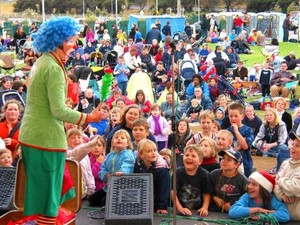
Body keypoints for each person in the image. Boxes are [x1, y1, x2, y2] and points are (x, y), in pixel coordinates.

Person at [18, 17, 103, 224]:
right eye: (71, 40)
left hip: (35, 137)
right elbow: (58, 111)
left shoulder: (42, 61)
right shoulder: (54, 68)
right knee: (49, 201)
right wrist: (89, 117)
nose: (75, 45)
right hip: (45, 141)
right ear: (58, 41)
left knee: (45, 196)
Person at [171, 145, 212, 216]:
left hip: (197, 211)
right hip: (180, 208)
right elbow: (173, 192)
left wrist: (204, 208)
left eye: (193, 156)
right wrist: (179, 208)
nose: (189, 157)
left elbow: (207, 193)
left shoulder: (204, 174)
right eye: (186, 155)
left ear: (200, 161)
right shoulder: (177, 173)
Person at [99, 129, 135, 205]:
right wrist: (105, 175)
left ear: (127, 143)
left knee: (104, 202)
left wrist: (122, 172)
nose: (119, 139)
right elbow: (103, 167)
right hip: (108, 186)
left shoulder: (128, 154)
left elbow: (128, 165)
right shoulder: (109, 155)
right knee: (93, 199)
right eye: (116, 138)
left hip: (122, 187)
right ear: (112, 143)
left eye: (122, 138)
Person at [134, 139, 170, 214]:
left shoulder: (162, 168)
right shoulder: (138, 164)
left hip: (157, 201)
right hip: (143, 203)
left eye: (154, 150)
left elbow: (163, 189)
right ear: (141, 154)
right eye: (149, 151)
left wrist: (161, 207)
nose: (154, 153)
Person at [274, 131, 300, 221]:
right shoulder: (286, 163)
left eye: (297, 146)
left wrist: (280, 180)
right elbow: (274, 184)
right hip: (282, 214)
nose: (292, 147)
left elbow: (294, 188)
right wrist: (281, 194)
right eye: (293, 144)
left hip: (296, 216)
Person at [66, 128, 96, 198]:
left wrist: (91, 188)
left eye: (79, 137)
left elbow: (89, 172)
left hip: (84, 192)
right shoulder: (67, 153)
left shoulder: (86, 156)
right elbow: (75, 153)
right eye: (72, 138)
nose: (76, 139)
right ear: (66, 141)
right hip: (71, 192)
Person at [227, 102, 254, 177]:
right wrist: (238, 147)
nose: (233, 118)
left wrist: (236, 131)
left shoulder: (248, 130)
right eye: (231, 116)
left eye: (236, 116)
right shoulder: (227, 131)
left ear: (242, 116)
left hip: (245, 163)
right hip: (230, 164)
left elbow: (245, 146)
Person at [88, 136, 106, 206]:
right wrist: (98, 163)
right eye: (93, 145)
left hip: (104, 189)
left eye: (99, 145)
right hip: (94, 191)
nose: (96, 148)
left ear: (103, 147)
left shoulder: (107, 159)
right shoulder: (88, 160)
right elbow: (93, 174)